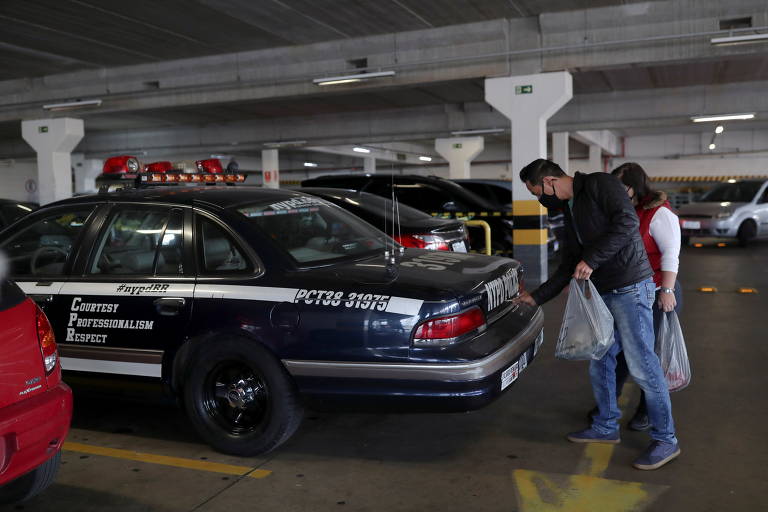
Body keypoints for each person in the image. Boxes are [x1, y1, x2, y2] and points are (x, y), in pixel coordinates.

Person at [512, 159, 680, 470]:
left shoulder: (600, 183)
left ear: (550, 181)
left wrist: (591, 259)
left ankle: (666, 439)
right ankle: (605, 426)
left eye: (538, 192)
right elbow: (569, 262)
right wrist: (536, 297)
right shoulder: (569, 207)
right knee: (600, 360)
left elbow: (627, 223)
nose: (540, 199)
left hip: (630, 286)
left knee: (642, 364)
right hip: (602, 292)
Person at [602, 162, 683, 431]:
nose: (616, 191)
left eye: (620, 186)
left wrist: (668, 291)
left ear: (634, 186)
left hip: (659, 291)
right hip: (631, 293)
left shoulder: (659, 214)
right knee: (622, 353)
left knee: (651, 356)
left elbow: (671, 253)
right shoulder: (625, 211)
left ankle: (647, 411)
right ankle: (608, 405)